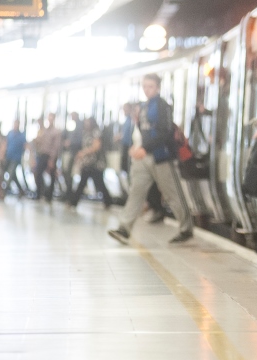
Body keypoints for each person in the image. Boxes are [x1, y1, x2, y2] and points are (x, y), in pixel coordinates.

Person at [107, 74, 194, 245]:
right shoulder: (143, 107)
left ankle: (186, 228)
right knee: (136, 191)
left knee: (172, 194)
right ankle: (124, 228)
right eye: (145, 86)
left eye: (151, 86)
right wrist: (137, 146)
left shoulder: (163, 107)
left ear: (158, 87)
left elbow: (165, 132)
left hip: (162, 157)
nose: (147, 90)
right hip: (143, 157)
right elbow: (143, 131)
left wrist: (144, 147)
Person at [67, 117, 113, 208]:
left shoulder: (96, 132)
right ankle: (74, 202)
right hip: (87, 163)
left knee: (97, 183)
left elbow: (96, 146)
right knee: (84, 182)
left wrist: (84, 153)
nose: (86, 124)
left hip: (95, 163)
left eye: (87, 122)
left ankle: (108, 201)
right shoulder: (85, 133)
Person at [33, 113, 62, 202]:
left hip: (50, 156)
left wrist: (52, 159)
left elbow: (56, 146)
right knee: (38, 173)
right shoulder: (43, 130)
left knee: (52, 176)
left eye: (51, 118)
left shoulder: (56, 132)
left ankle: (49, 196)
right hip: (42, 154)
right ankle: (39, 193)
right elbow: (39, 141)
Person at [4, 119, 28, 197]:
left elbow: (25, 146)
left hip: (16, 158)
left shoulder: (21, 136)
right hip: (8, 157)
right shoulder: (10, 133)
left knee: (11, 173)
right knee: (13, 175)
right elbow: (6, 144)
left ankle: (4, 190)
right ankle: (21, 189)